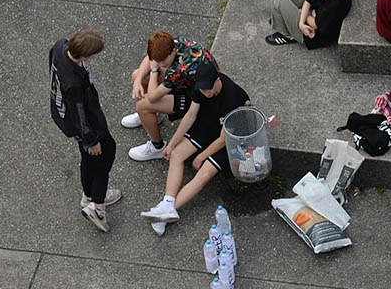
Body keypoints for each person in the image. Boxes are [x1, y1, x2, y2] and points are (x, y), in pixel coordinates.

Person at [139, 68, 252, 234]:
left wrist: (201, 157)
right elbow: (191, 115)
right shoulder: (201, 87)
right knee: (176, 155)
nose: (205, 93)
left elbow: (223, 139)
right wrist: (171, 144)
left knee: (204, 173)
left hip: (231, 138)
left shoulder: (234, 98)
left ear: (217, 81)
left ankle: (168, 211)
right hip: (208, 124)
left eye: (208, 89)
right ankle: (167, 204)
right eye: (202, 89)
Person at [49, 29, 120, 233]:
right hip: (87, 126)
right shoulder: (74, 84)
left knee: (88, 160)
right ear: (85, 55)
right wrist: (91, 139)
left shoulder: (59, 46)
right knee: (105, 155)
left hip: (65, 118)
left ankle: (88, 195)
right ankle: (97, 207)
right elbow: (80, 115)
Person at [122, 32, 221, 162]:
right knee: (137, 75)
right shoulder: (173, 43)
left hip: (200, 99)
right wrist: (138, 81)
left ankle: (157, 146)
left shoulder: (179, 69)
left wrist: (154, 70)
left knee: (143, 105)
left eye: (163, 61)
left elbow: (152, 97)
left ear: (172, 51)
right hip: (188, 83)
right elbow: (150, 58)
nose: (161, 63)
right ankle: (152, 117)